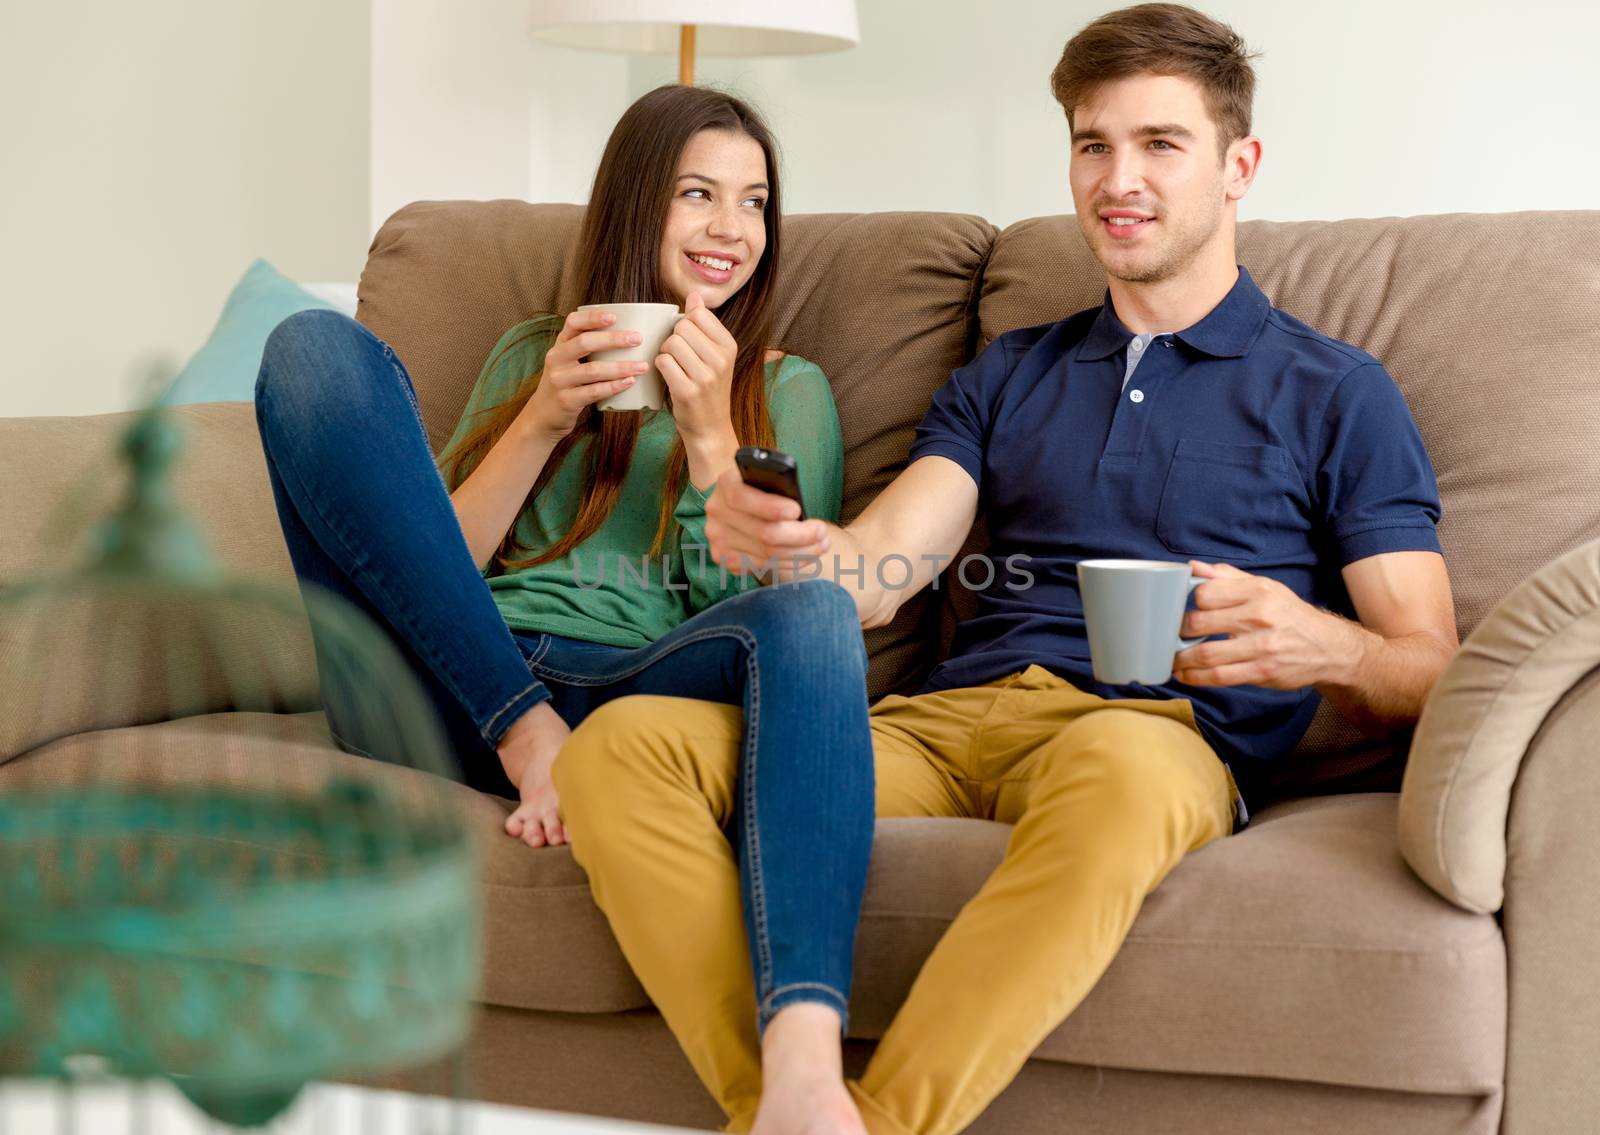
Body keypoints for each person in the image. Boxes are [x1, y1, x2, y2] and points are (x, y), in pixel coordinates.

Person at [551, 6, 1460, 1135]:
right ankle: (784, 1108)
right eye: (1091, 144)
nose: (1116, 179)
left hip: (1152, 733)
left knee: (1124, 782)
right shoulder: (1011, 372)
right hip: (938, 726)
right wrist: (797, 550)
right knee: (623, 748)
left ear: (1239, 167)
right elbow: (886, 566)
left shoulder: (1334, 391)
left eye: (1158, 145)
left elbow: (1433, 664)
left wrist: (1325, 644)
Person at [252, 82, 876, 1119]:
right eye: (698, 194)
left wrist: (713, 429)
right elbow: (414, 568)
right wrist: (541, 415)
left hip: (634, 693)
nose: (732, 229)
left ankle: (803, 1083)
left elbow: (757, 600)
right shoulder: (529, 354)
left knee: (810, 615)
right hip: (455, 681)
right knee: (310, 352)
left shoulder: (786, 388)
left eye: (755, 202)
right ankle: (525, 736)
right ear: (637, 203)